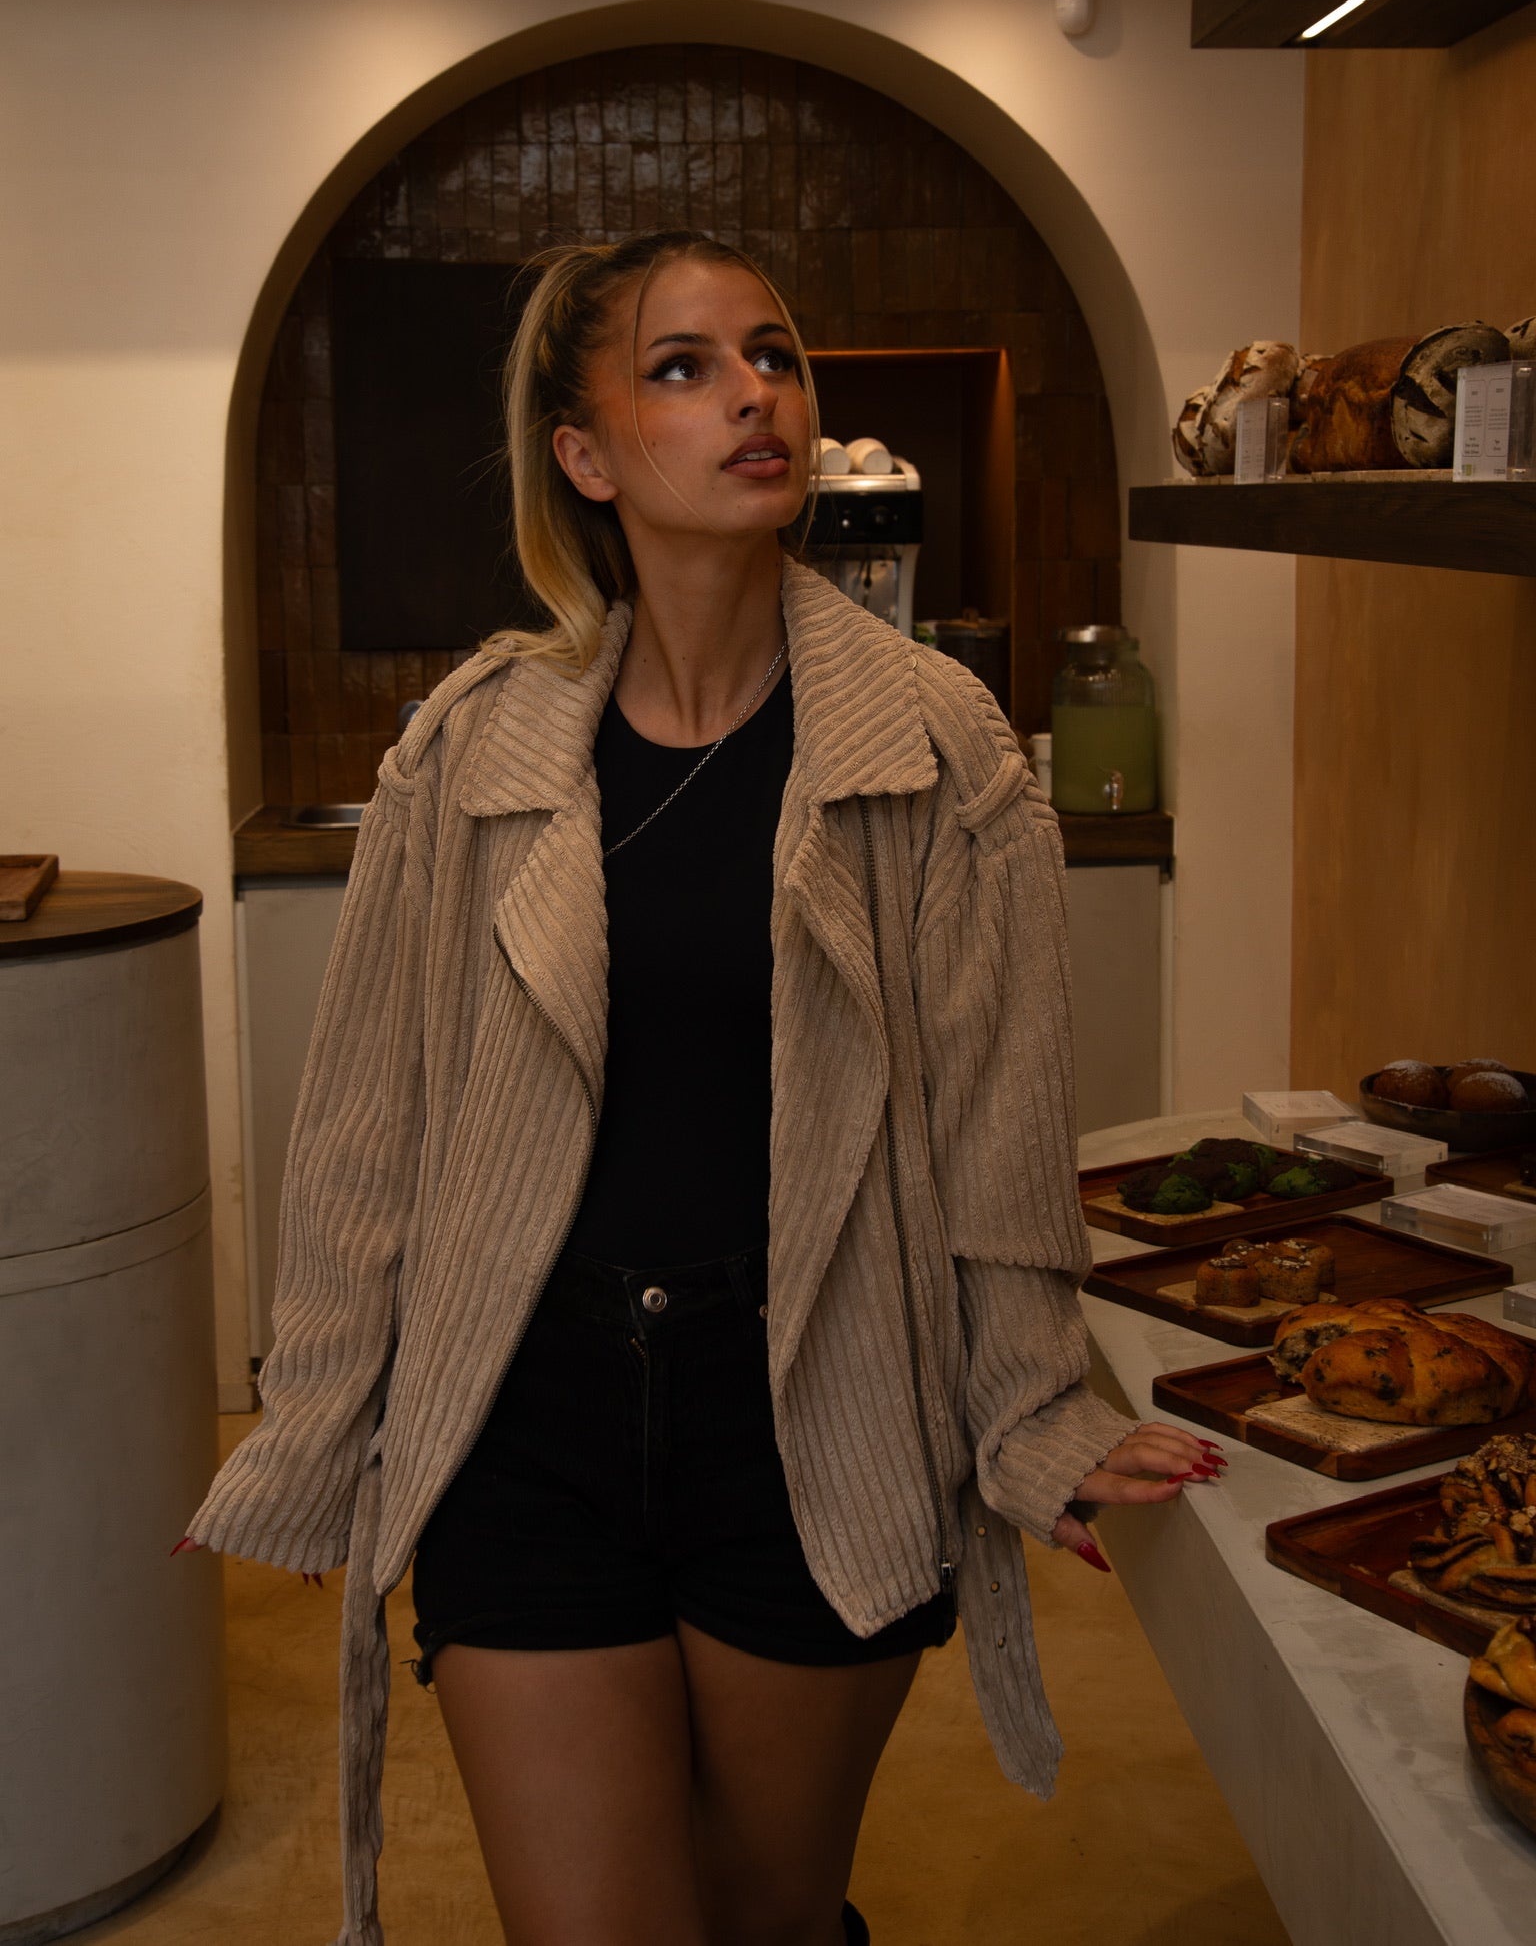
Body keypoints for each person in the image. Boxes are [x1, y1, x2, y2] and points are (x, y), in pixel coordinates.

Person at [189, 230, 1220, 1946]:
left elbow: (999, 1130)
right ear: (585, 457)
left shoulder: (939, 747)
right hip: (531, 1416)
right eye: (683, 366)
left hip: (811, 1416)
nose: (756, 394)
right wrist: (315, 1421)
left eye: (775, 356)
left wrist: (1034, 1404)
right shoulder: (470, 751)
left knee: (764, 1918)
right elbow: (369, 1128)